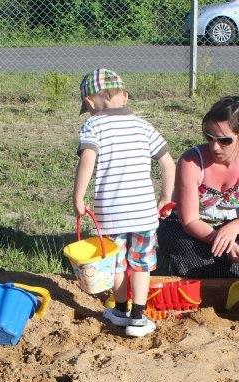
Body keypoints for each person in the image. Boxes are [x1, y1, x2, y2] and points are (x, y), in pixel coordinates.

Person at [72, 68, 176, 338]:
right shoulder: (143, 126)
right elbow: (168, 163)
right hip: (143, 214)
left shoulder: (93, 126)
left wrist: (78, 196)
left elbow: (87, 161)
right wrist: (166, 197)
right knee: (141, 264)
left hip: (110, 214)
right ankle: (138, 317)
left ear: (89, 102)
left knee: (116, 264)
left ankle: (119, 311)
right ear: (125, 97)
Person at [157, 96, 239, 278]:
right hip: (190, 228)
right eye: (209, 137)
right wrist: (222, 240)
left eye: (224, 140)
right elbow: (190, 221)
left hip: (233, 224)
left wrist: (232, 229)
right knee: (198, 257)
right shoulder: (191, 161)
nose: (215, 147)